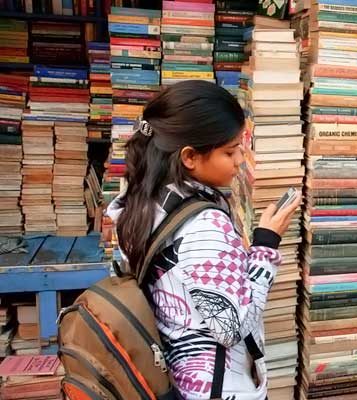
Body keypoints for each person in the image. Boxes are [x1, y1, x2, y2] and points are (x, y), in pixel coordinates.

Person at [106, 80, 301, 400]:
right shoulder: (204, 225)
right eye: (230, 151)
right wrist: (266, 244)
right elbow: (232, 327)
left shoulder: (142, 202)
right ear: (190, 157)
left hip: (178, 378)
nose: (240, 159)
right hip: (221, 388)